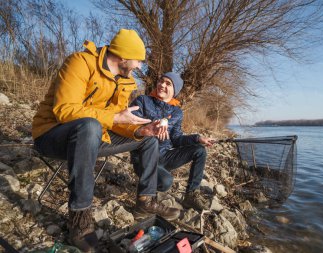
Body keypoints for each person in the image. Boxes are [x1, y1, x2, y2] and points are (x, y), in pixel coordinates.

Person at [32, 29, 180, 252]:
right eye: (138, 60)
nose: (140, 66)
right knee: (90, 126)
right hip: (52, 134)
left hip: (91, 137)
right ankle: (80, 219)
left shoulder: (124, 81)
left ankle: (145, 201)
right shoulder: (80, 62)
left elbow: (119, 120)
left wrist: (141, 129)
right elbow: (64, 110)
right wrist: (112, 117)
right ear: (122, 56)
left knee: (148, 139)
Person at [130, 72, 214, 211]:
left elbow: (176, 139)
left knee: (199, 150)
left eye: (168, 84)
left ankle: (191, 195)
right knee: (166, 181)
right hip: (143, 157)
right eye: (161, 81)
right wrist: (147, 128)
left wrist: (198, 138)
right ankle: (145, 200)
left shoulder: (177, 112)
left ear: (175, 90)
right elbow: (130, 126)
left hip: (164, 155)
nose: (162, 85)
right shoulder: (143, 101)